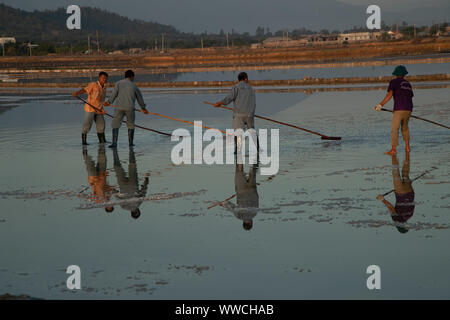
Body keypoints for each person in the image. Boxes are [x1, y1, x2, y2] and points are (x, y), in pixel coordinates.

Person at [213, 72, 258, 153]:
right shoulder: (251, 89)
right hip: (250, 115)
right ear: (246, 78)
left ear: (239, 79)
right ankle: (258, 149)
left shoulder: (236, 87)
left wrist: (219, 103)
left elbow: (229, 98)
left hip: (239, 115)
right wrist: (251, 113)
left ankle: (237, 152)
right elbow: (254, 103)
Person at [374, 65, 414, 155]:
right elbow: (410, 97)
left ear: (396, 74)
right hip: (409, 109)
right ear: (404, 74)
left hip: (399, 109)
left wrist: (380, 105)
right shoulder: (408, 84)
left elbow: (390, 94)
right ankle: (407, 147)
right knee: (405, 128)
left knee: (395, 129)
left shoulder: (394, 82)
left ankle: (393, 149)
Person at [104, 70, 149, 148]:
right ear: (132, 77)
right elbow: (140, 99)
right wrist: (143, 108)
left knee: (115, 124)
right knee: (131, 125)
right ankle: (130, 143)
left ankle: (114, 143)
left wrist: (108, 102)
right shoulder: (134, 86)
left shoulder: (118, 83)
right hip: (130, 108)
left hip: (119, 107)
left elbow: (113, 94)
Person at [377, 153, 415, 233]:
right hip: (401, 193)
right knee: (395, 173)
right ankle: (394, 153)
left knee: (405, 173)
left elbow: (411, 201)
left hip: (410, 191)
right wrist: (382, 199)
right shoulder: (397, 219)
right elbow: (390, 207)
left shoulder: (410, 214)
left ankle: (407, 150)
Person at [73, 71, 109, 145]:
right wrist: (77, 93)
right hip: (90, 109)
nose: (104, 80)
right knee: (87, 125)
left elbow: (101, 100)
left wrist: (103, 109)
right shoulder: (93, 84)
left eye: (105, 78)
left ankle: (102, 141)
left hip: (99, 110)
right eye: (103, 78)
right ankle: (84, 142)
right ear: (99, 78)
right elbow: (85, 90)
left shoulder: (104, 88)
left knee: (101, 125)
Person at [112, 148, 149, 219]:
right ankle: (115, 151)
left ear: (138, 211)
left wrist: (146, 181)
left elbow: (143, 191)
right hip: (123, 186)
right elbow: (117, 197)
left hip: (133, 184)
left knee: (132, 165)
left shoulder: (138, 203)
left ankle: (131, 149)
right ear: (131, 213)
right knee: (117, 167)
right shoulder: (124, 207)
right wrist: (113, 190)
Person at [221, 164, 259, 231]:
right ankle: (239, 153)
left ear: (251, 222)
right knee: (239, 169)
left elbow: (257, 199)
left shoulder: (254, 213)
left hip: (252, 190)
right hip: (241, 190)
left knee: (254, 170)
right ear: (243, 223)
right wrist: (224, 203)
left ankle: (257, 154)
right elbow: (230, 206)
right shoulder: (239, 215)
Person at [82, 145, 115, 213]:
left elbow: (96, 190)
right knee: (102, 157)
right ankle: (101, 144)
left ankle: (84, 146)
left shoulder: (99, 200)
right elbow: (107, 186)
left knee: (88, 160)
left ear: (106, 206)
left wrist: (87, 196)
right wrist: (113, 189)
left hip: (94, 178)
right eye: (111, 205)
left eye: (108, 206)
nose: (110, 204)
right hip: (102, 175)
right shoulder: (109, 196)